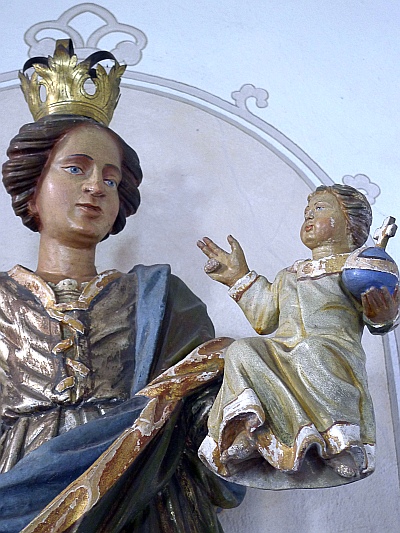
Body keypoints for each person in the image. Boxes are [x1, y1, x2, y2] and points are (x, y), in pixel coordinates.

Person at [0, 41, 244, 533]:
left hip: (142, 490)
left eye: (110, 180)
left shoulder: (162, 299)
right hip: (19, 488)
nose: (95, 186)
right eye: (76, 168)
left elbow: (202, 415)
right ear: (32, 188)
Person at [197, 184, 399, 490]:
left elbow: (378, 316)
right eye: (307, 211)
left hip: (332, 351)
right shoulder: (289, 274)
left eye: (320, 208)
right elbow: (264, 318)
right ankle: (250, 432)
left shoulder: (356, 268)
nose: (309, 215)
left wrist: (384, 314)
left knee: (311, 351)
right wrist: (239, 276)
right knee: (241, 351)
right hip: (284, 350)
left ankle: (340, 444)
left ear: (350, 224)